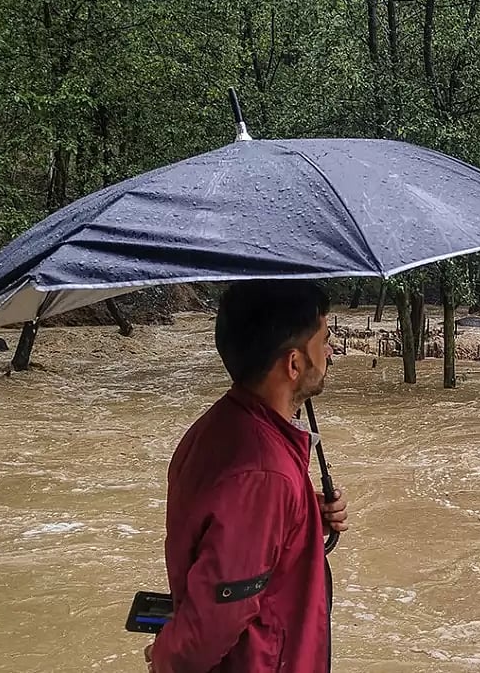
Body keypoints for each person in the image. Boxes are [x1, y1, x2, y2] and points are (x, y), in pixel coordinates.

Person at [145, 280, 349, 673]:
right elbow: (216, 617)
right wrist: (166, 659)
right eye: (323, 340)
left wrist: (306, 515)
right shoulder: (263, 473)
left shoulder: (225, 426)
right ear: (294, 364)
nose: (329, 351)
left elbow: (235, 538)